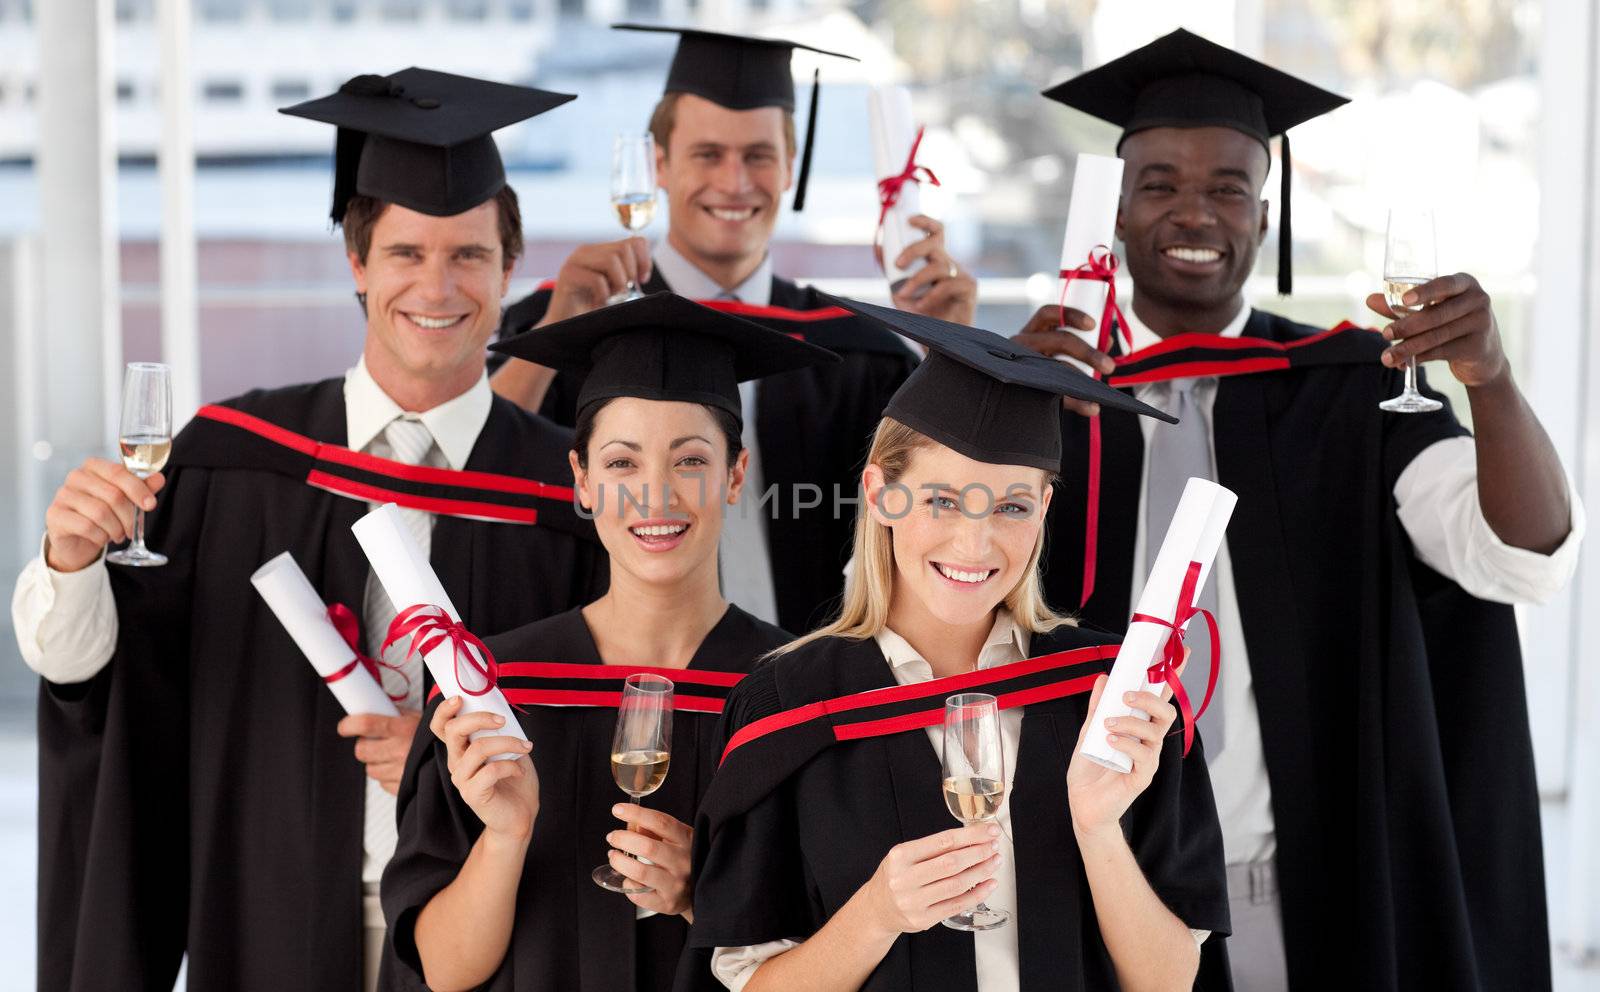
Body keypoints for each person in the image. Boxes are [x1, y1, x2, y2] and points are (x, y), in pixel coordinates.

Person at [15, 69, 607, 992]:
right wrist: (72, 562)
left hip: (496, 942)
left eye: (469, 255)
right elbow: (100, 681)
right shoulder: (233, 460)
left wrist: (452, 756)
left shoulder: (569, 491)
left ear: (507, 270)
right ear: (359, 265)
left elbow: (613, 720)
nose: (438, 286)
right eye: (407, 253)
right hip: (270, 922)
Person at [1020, 29, 1584, 991]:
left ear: (1266, 214)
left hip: (1292, 896)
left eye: (1229, 187)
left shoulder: (1350, 393)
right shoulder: (1042, 395)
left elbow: (1519, 557)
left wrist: (1487, 379)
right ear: (1116, 209)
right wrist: (1001, 408)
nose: (1193, 210)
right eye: (1158, 183)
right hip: (1079, 891)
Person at [682, 298, 1228, 992]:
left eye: (1012, 507)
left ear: (1044, 511)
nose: (976, 544)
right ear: (880, 494)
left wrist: (1095, 826)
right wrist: (878, 913)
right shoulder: (787, 703)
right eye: (942, 500)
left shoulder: (1113, 693)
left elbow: (1169, 980)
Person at [379, 293, 835, 991]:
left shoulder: (802, 693)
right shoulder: (492, 687)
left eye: (690, 461)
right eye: (622, 464)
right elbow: (442, 971)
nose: (655, 495)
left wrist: (699, 898)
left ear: (735, 475)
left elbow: (840, 954)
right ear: (582, 482)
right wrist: (506, 835)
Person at [491, 24, 974, 633]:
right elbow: (486, 479)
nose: (735, 182)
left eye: (758, 156)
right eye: (707, 154)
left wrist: (954, 354)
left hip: (807, 687)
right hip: (622, 689)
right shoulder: (572, 326)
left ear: (790, 167)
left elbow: (935, 516)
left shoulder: (854, 348)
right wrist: (557, 327)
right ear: (659, 164)